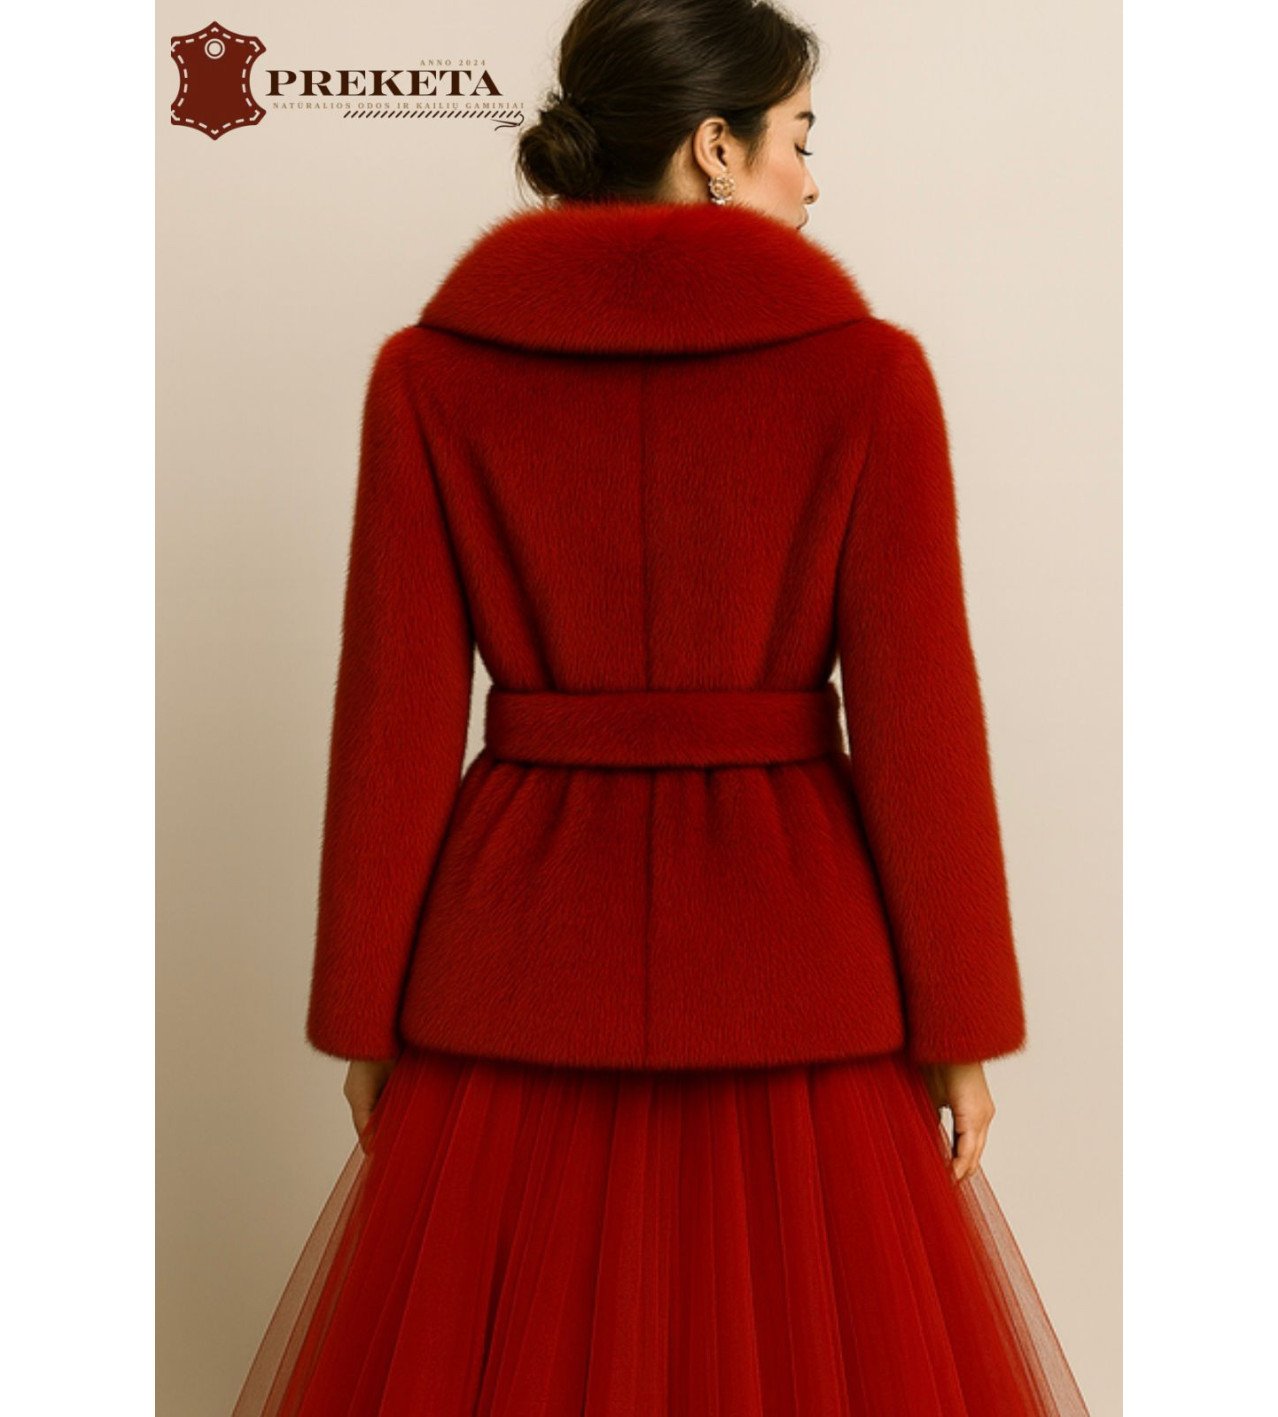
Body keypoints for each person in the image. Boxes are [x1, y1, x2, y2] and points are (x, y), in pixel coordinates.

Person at [232, 1, 1091, 1411]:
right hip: (794, 961)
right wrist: (960, 1027)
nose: (812, 178)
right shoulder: (867, 374)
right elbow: (920, 719)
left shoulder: (432, 375)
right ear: (714, 147)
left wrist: (366, 1018)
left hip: (517, 964)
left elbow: (392, 718)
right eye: (799, 137)